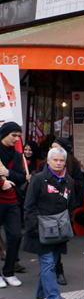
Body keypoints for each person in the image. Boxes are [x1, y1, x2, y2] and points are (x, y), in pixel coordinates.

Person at [22, 146, 75, 299]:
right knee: (48, 264)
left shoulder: (69, 180)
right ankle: (53, 298)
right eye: (55, 160)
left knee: (50, 264)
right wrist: (33, 229)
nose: (58, 163)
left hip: (60, 231)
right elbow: (28, 206)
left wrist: (69, 226)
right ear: (48, 161)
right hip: (41, 230)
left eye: (61, 160)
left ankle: (40, 294)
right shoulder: (38, 179)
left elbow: (71, 205)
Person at [52, 137, 84, 286]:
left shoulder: (73, 165)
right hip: (47, 212)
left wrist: (67, 180)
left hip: (64, 210)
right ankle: (51, 269)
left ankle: (57, 270)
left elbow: (80, 184)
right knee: (47, 242)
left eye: (57, 148)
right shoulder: (43, 167)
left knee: (59, 242)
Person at [0, 121, 26, 287]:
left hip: (12, 201)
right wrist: (2, 183)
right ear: (4, 134)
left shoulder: (17, 155)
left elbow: (22, 177)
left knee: (15, 236)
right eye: (13, 135)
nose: (16, 139)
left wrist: (8, 173)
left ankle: (8, 272)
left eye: (18, 136)